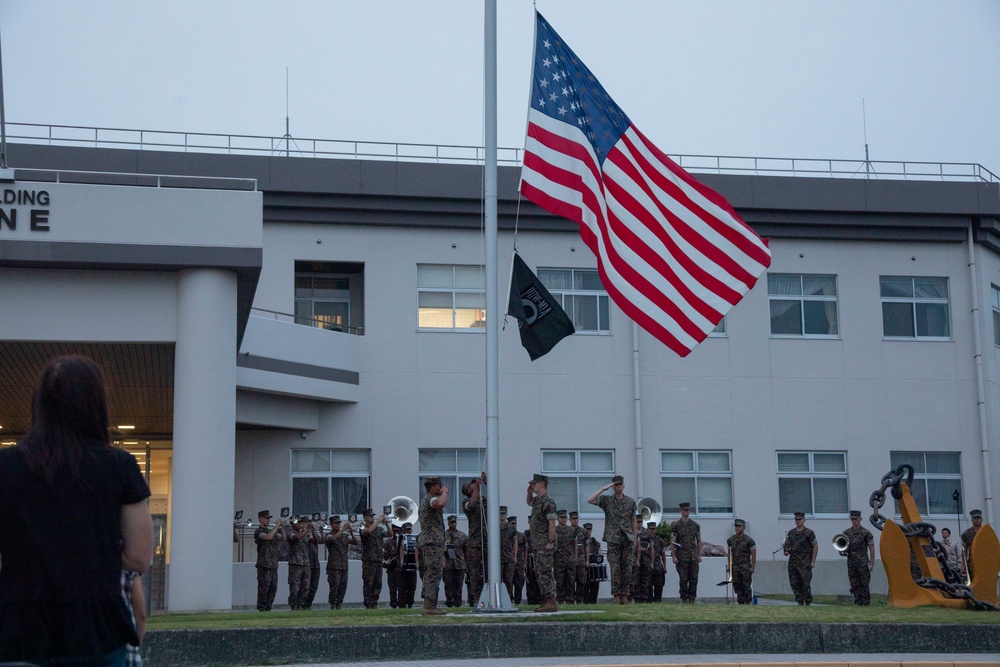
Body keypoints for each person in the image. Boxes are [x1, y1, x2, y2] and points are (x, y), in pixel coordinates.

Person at [0, 355, 153, 666]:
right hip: (96, 630)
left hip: (20, 631)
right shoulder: (119, 466)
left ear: (39, 405)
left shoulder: (6, 466)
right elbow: (140, 556)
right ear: (96, 403)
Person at [588, 474, 638, 605]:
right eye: (616, 485)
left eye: (620, 484)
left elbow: (633, 520)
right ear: (613, 486)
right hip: (613, 538)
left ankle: (624, 594)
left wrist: (635, 538)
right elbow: (590, 500)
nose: (618, 487)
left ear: (624, 486)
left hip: (627, 538)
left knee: (627, 568)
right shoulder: (607, 500)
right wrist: (604, 488)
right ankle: (616, 595)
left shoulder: (630, 501)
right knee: (615, 568)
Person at [526, 473, 559, 612]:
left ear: (542, 485)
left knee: (545, 571)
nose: (532, 485)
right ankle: (546, 600)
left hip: (545, 542)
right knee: (540, 571)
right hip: (538, 543)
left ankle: (551, 600)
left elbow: (552, 522)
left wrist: (550, 541)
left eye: (534, 484)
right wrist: (528, 493)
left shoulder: (548, 502)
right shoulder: (538, 500)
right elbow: (529, 502)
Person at [417, 476, 448, 615]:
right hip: (432, 542)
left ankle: (430, 604)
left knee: (432, 572)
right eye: (439, 485)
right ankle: (429, 606)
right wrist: (445, 492)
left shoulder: (428, 499)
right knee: (433, 573)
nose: (441, 487)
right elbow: (440, 504)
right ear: (433, 487)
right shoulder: (430, 499)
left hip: (432, 541)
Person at [462, 472, 487, 607]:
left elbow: (494, 501)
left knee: (490, 571)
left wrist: (486, 482)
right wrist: (476, 488)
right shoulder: (466, 502)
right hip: (475, 542)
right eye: (472, 486)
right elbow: (471, 506)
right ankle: (477, 599)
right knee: (475, 573)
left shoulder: (484, 500)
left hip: (488, 541)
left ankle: (491, 596)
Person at [360, 508, 393, 609]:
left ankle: (375, 602)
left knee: (378, 583)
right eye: (370, 516)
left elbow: (390, 534)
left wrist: (387, 523)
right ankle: (368, 603)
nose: (372, 518)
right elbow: (368, 531)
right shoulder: (362, 528)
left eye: (373, 516)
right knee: (368, 583)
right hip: (369, 561)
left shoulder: (378, 529)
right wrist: (378, 520)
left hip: (378, 560)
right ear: (365, 518)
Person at [783, 511, 818, 605]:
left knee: (805, 583)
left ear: (804, 520)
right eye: (796, 519)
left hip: (805, 562)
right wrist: (786, 551)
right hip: (793, 562)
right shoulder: (791, 533)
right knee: (794, 582)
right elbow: (789, 546)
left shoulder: (809, 533)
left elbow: (815, 546)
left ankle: (807, 601)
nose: (797, 521)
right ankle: (799, 600)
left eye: (799, 519)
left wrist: (813, 561)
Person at [671, 501, 702, 603]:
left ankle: (692, 598)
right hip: (682, 557)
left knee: (693, 578)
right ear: (681, 511)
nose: (687, 512)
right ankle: (684, 598)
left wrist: (699, 555)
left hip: (693, 556)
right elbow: (673, 542)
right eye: (685, 510)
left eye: (688, 510)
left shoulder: (695, 525)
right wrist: (674, 556)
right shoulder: (677, 526)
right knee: (683, 579)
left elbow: (699, 541)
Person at [841, 510, 875, 605]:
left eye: (856, 519)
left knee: (864, 583)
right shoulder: (846, 533)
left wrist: (872, 563)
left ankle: (866, 602)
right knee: (854, 583)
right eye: (852, 519)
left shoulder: (866, 533)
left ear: (860, 519)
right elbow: (843, 546)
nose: (854, 521)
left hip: (863, 563)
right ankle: (858, 602)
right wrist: (843, 551)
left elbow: (872, 548)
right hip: (851, 563)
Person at [253, 509, 285, 611]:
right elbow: (267, 537)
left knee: (273, 587)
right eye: (266, 518)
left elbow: (283, 539)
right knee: (264, 588)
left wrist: (282, 528)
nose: (268, 520)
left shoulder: (272, 531)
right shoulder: (259, 531)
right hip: (264, 565)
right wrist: (276, 526)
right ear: (260, 519)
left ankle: (268, 607)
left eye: (269, 518)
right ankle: (262, 608)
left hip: (273, 564)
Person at [324, 515, 357, 609]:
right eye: (335, 523)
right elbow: (333, 539)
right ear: (331, 525)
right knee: (334, 586)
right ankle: (333, 605)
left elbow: (355, 542)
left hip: (344, 565)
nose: (338, 525)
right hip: (334, 566)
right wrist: (343, 529)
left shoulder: (344, 536)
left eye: (339, 523)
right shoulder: (329, 535)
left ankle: (339, 604)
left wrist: (351, 532)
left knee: (343, 586)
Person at [726, 519, 756, 605]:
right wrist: (729, 565)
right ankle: (740, 602)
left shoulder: (749, 540)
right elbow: (729, 553)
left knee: (746, 586)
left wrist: (753, 567)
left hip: (745, 567)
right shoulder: (731, 540)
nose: (737, 528)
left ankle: (747, 602)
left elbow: (753, 554)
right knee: (737, 586)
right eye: (736, 526)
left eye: (739, 526)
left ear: (744, 528)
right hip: (735, 567)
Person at [443, 515, 468, 607]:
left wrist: (466, 564)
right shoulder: (444, 535)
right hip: (447, 564)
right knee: (448, 584)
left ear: (456, 523)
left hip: (459, 564)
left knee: (459, 584)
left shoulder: (462, 536)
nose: (453, 524)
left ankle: (458, 603)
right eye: (451, 522)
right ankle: (449, 602)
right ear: (448, 523)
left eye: (454, 522)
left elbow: (466, 550)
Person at [287, 517, 312, 610]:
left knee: (305, 587)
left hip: (306, 563)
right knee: (295, 587)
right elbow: (296, 537)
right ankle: (293, 606)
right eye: (298, 523)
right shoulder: (291, 533)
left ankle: (301, 606)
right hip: (295, 564)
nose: (300, 524)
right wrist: (306, 530)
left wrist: (311, 530)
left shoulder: (305, 533)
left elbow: (316, 540)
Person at [554, 509, 576, 604]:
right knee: (559, 581)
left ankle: (570, 599)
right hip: (558, 559)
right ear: (557, 518)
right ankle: (560, 599)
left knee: (570, 580)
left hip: (569, 559)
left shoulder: (571, 530)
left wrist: (575, 557)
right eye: (561, 517)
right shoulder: (554, 530)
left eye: (565, 517)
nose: (563, 519)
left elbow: (574, 544)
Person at [499, 506, 518, 602]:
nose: (502, 515)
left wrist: (515, 556)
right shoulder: (494, 527)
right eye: (501, 513)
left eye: (504, 513)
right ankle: (497, 600)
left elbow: (515, 542)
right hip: (497, 558)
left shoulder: (511, 528)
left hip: (508, 557)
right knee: (497, 581)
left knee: (508, 580)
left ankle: (508, 600)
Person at [570, 511, 589, 604]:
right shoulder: (568, 531)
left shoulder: (583, 531)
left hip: (581, 560)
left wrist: (587, 560)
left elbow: (587, 546)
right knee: (570, 580)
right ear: (570, 519)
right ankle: (570, 598)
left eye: (576, 519)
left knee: (581, 580)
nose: (575, 521)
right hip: (569, 559)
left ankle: (579, 599)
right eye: (573, 519)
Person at [398, 522, 418, 608]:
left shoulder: (415, 539)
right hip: (401, 569)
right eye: (406, 529)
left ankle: (410, 604)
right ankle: (402, 605)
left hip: (412, 568)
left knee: (412, 587)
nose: (408, 531)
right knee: (402, 588)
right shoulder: (399, 539)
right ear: (402, 530)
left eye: (409, 529)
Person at [962, 509, 983, 580]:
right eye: (974, 518)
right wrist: (964, 565)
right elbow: (964, 551)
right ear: (971, 520)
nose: (976, 520)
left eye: (978, 518)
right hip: (972, 564)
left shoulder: (986, 532)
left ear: (981, 519)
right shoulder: (966, 534)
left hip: (984, 563)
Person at [584, 523, 602, 604]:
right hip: (584, 565)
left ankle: (593, 601)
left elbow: (600, 555)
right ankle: (585, 601)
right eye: (586, 529)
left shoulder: (596, 543)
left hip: (594, 566)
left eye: (589, 529)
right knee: (585, 584)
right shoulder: (582, 541)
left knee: (595, 585)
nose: (588, 531)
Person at [511, 517, 526, 604]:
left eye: (515, 523)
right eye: (512, 524)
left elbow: (525, 548)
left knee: (519, 582)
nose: (514, 525)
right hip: (509, 561)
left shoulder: (521, 536)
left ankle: (518, 601)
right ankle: (509, 600)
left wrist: (524, 562)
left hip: (519, 562)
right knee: (508, 582)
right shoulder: (505, 534)